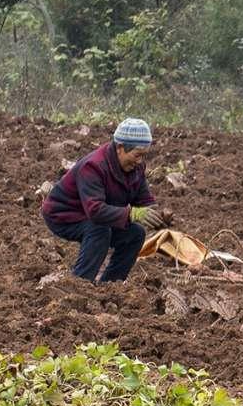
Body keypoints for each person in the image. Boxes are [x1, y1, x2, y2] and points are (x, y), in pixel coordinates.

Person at [45, 117, 168, 282]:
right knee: (99, 230)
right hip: (64, 215)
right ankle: (79, 284)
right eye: (137, 155)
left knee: (136, 234)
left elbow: (143, 199)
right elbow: (95, 210)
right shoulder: (94, 166)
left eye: (143, 156)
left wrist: (159, 215)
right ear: (120, 147)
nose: (140, 161)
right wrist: (133, 214)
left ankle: (110, 285)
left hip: (98, 214)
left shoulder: (136, 167)